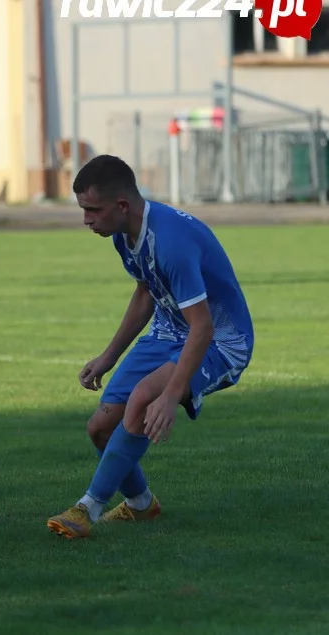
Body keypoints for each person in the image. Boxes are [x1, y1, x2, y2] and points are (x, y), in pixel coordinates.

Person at [46, 154, 254, 540]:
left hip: (222, 342)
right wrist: (108, 356)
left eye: (93, 210)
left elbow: (203, 327)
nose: (86, 219)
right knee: (100, 428)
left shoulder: (171, 241)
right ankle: (142, 506)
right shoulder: (125, 234)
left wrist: (171, 394)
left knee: (143, 397)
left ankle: (86, 509)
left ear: (121, 205)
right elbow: (146, 292)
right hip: (168, 331)